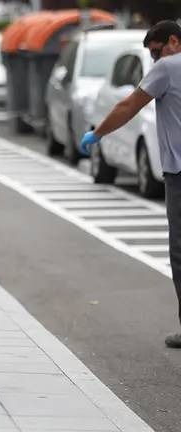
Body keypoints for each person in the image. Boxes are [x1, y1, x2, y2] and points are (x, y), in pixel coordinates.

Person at [80, 20, 181, 349]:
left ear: (174, 41)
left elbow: (128, 106)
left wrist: (96, 134)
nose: (154, 60)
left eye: (156, 52)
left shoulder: (168, 67)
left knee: (180, 253)